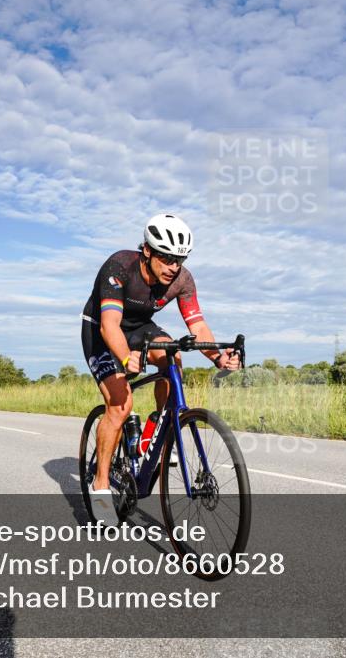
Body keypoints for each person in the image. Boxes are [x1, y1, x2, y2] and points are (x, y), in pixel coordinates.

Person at [81, 213, 240, 526]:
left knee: (174, 358)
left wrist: (218, 357)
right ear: (148, 251)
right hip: (101, 329)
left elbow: (198, 326)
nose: (173, 267)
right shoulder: (119, 267)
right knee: (120, 404)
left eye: (179, 259)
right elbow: (110, 325)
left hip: (141, 327)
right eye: (167, 258)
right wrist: (126, 358)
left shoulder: (182, 280)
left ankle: (155, 429)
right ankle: (100, 486)